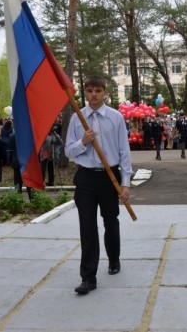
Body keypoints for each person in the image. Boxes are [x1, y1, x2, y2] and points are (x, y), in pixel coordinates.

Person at [65, 76, 133, 295]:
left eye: (97, 90)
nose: (93, 94)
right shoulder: (77, 118)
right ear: (85, 93)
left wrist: (125, 184)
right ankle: (88, 277)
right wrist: (83, 142)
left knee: (110, 220)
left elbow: (124, 151)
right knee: (87, 226)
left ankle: (114, 258)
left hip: (108, 177)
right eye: (89, 90)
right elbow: (68, 151)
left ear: (105, 93)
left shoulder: (116, 117)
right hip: (85, 178)